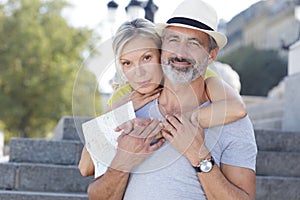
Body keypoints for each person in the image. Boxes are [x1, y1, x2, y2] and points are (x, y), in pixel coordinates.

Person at [87, 0, 257, 199]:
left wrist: (200, 157)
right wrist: (122, 163)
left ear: (211, 55)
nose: (180, 53)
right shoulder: (129, 111)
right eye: (173, 40)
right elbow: (96, 194)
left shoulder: (231, 121)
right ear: (162, 46)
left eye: (193, 43)